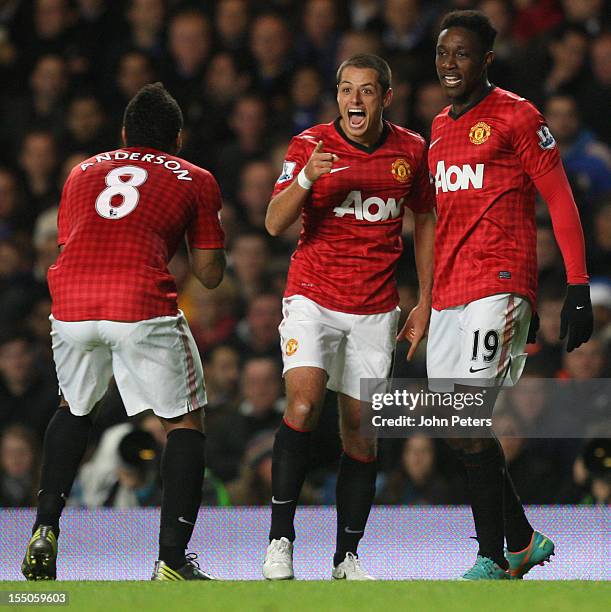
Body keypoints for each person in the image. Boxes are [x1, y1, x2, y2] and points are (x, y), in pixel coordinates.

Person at [21, 83, 226, 581]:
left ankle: (45, 527)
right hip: (137, 300)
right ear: (176, 139)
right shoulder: (195, 177)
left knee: (75, 407)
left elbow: (75, 240)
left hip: (71, 301)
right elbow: (210, 274)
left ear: (122, 135)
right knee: (184, 422)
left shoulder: (80, 172)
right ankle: (172, 561)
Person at [427, 10, 593, 579]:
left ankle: (491, 556)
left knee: (470, 416)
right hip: (449, 292)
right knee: (453, 424)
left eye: (463, 53)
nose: (451, 63)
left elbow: (560, 200)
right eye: (444, 52)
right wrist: (425, 301)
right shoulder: (439, 128)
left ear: (487, 60)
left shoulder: (519, 116)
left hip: (499, 284)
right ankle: (520, 539)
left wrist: (576, 286)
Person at [262, 54, 435, 580]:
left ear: (386, 96)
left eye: (364, 91)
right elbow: (273, 222)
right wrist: (307, 180)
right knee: (305, 401)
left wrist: (426, 299)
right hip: (312, 297)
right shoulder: (309, 146)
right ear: (336, 97)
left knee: (360, 432)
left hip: (375, 309)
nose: (353, 101)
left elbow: (425, 218)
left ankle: (346, 556)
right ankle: (280, 541)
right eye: (344, 90)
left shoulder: (411, 150)